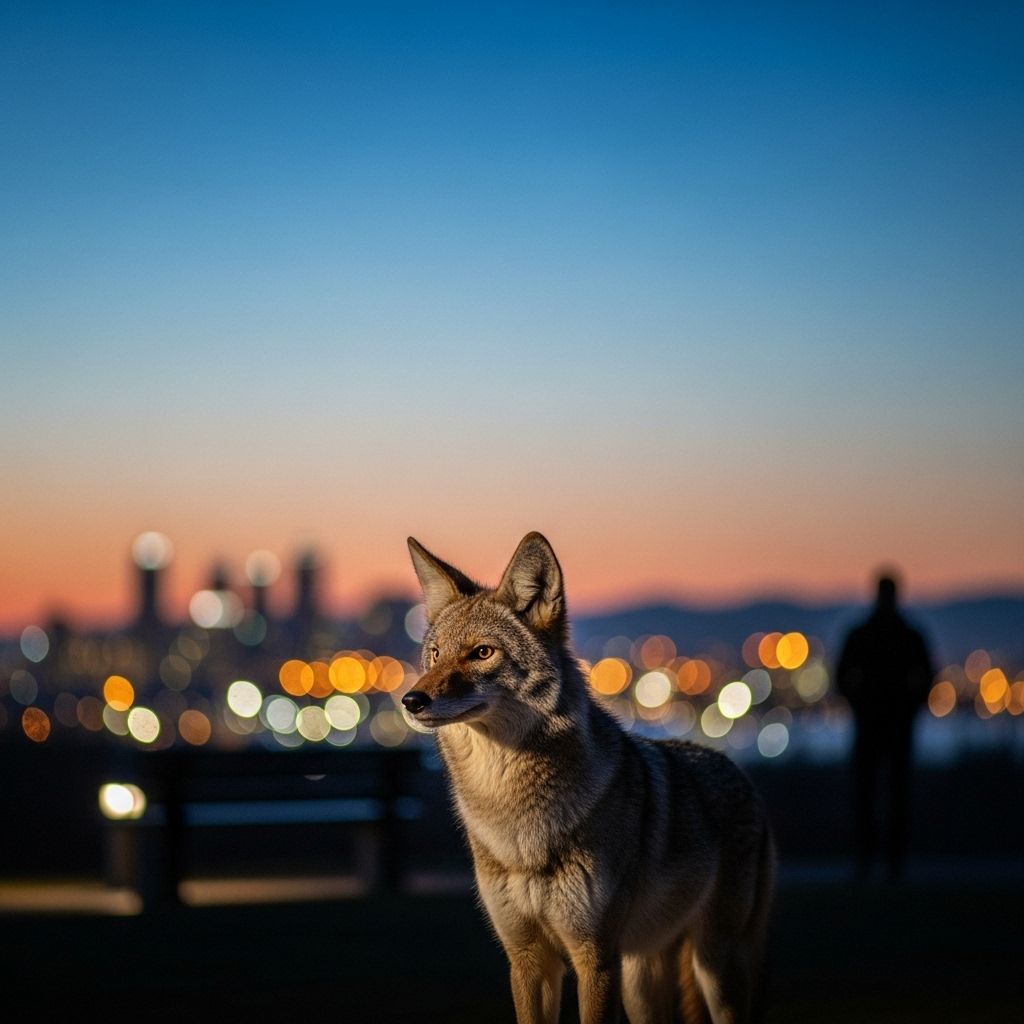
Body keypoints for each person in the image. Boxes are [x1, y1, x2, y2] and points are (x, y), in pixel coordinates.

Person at [836, 570, 934, 881]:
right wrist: (908, 708)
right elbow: (927, 676)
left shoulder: (863, 634)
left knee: (874, 795)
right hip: (890, 727)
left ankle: (875, 862)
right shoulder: (908, 636)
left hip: (876, 726)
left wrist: (861, 705)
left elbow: (842, 677)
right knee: (886, 795)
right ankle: (885, 862)